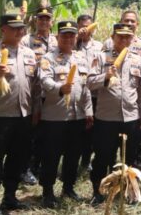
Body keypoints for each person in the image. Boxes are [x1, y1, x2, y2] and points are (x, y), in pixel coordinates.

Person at [0, 14, 40, 215]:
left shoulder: (29, 54)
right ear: (3, 29)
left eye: (22, 28)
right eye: (15, 28)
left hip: (23, 117)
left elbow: (35, 84)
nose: (20, 31)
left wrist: (36, 109)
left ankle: (10, 197)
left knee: (17, 159)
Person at [88, 24, 141, 205]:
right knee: (103, 156)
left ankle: (129, 192)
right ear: (112, 36)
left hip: (131, 117)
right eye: (120, 37)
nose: (124, 40)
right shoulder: (101, 57)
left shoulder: (137, 60)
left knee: (130, 158)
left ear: (132, 38)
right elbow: (90, 83)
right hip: (106, 118)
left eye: (127, 37)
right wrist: (105, 77)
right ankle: (98, 191)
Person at [38, 21, 93, 207]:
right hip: (55, 117)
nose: (69, 39)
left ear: (76, 37)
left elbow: (86, 88)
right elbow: (44, 81)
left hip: (76, 117)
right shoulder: (48, 58)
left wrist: (89, 111)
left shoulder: (81, 58)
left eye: (72, 35)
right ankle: (47, 191)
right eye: (65, 35)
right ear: (57, 37)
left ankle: (68, 187)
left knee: (73, 155)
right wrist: (60, 88)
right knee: (51, 156)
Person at [20, 5, 57, 186]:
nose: (44, 21)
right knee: (30, 131)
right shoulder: (27, 40)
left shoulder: (57, 41)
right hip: (32, 91)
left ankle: (38, 166)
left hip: (50, 93)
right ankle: (26, 169)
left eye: (47, 18)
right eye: (40, 18)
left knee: (45, 132)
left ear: (52, 21)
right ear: (36, 20)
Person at [75, 14, 103, 172]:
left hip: (93, 93)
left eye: (88, 25)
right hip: (75, 93)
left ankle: (86, 160)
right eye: (82, 25)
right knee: (76, 129)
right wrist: (77, 39)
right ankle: (71, 160)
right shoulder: (72, 42)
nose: (85, 28)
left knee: (91, 129)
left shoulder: (99, 46)